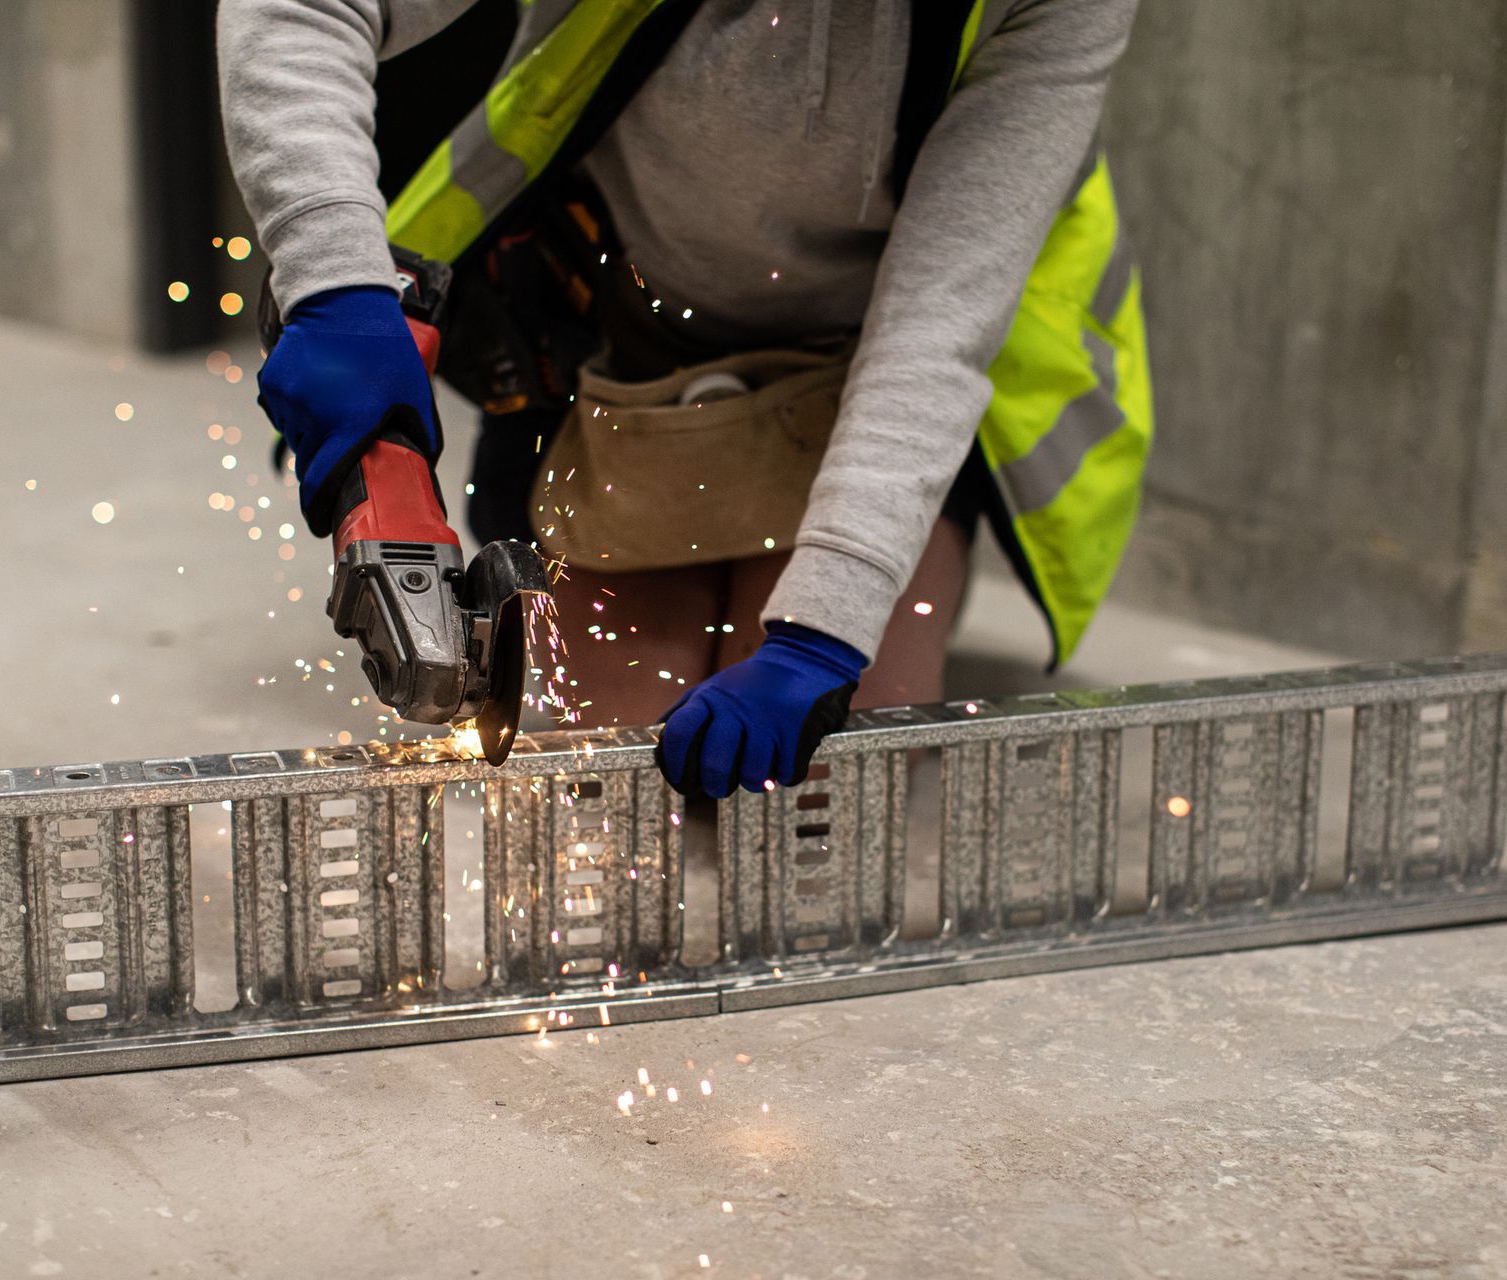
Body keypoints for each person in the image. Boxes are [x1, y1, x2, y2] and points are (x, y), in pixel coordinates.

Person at [218, 0, 1153, 799]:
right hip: (633, 327)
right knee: (610, 759)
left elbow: (936, 323)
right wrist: (333, 279)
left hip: (870, 360)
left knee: (827, 784)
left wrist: (825, 631)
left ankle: (911, 549)